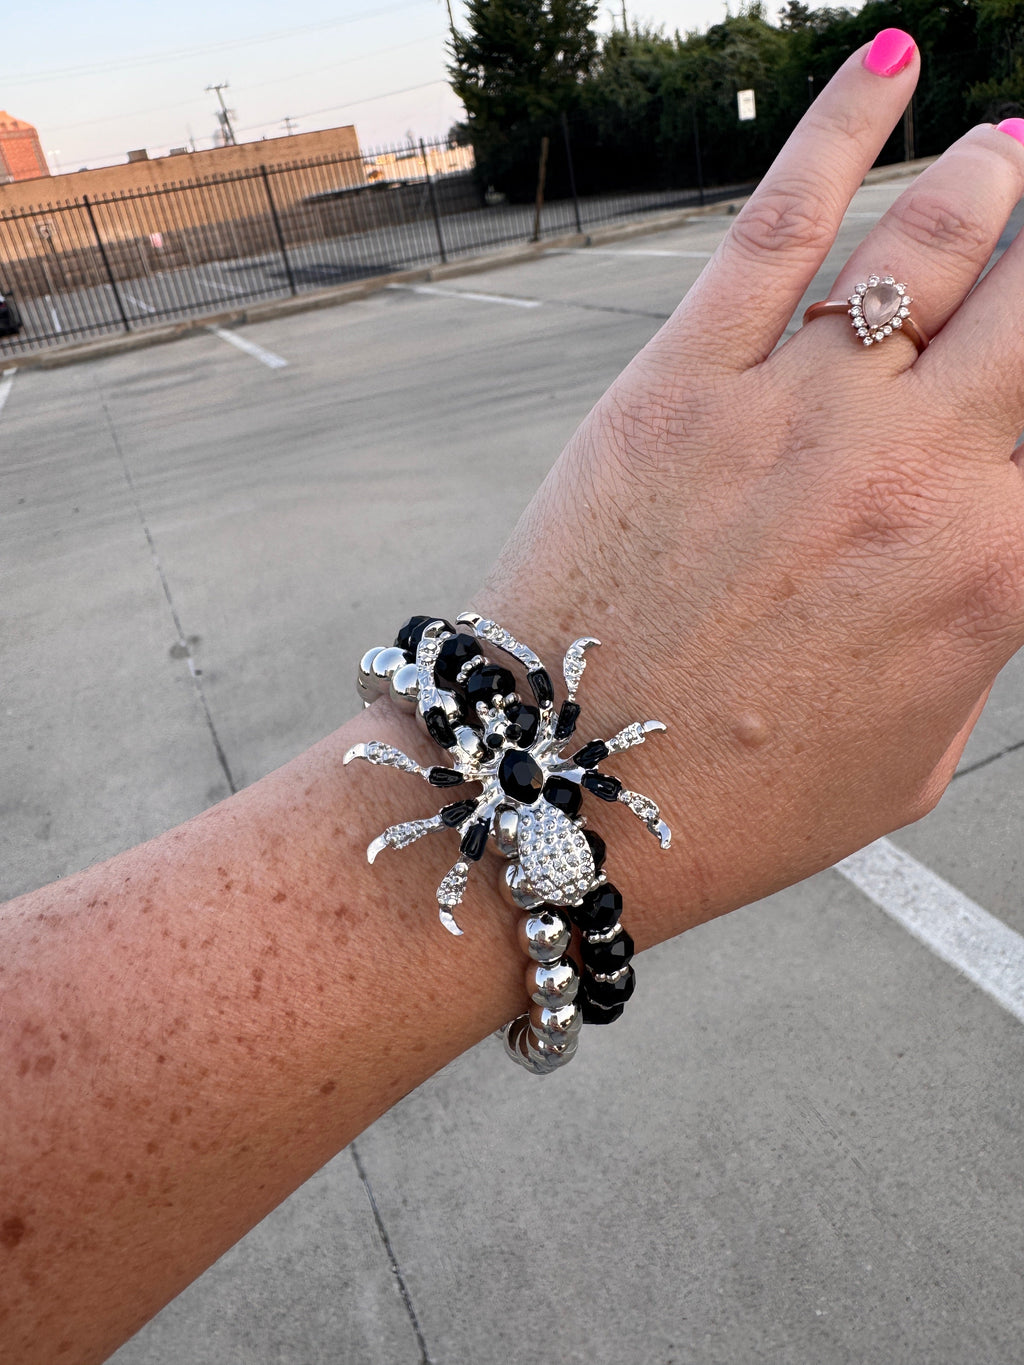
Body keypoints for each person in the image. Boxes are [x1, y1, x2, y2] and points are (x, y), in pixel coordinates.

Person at [5, 28, 1024, 1364]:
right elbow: (469, 807)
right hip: (548, 860)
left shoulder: (524, 777)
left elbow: (551, 771)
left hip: (548, 848)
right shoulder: (511, 785)